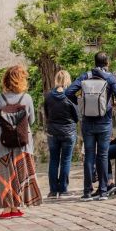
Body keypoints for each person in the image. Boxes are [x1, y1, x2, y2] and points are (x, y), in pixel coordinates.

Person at [66, 52, 116, 202]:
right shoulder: (110, 78)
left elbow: (68, 92)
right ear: (107, 63)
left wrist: (80, 104)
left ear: (95, 62)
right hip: (104, 122)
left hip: (87, 122)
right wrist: (113, 106)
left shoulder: (85, 76)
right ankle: (103, 191)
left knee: (89, 156)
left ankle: (87, 192)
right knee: (103, 155)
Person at [0, 65, 42, 218]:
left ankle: (8, 209)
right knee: (21, 174)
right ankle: (18, 206)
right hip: (23, 142)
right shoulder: (26, 98)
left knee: (6, 175)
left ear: (6, 79)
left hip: (3, 142)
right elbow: (31, 120)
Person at [45, 70, 79, 199]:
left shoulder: (48, 96)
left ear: (56, 79)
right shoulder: (70, 96)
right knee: (65, 160)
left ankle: (53, 190)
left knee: (53, 160)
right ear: (68, 80)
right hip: (68, 132)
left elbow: (46, 114)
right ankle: (63, 189)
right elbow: (77, 117)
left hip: (53, 132)